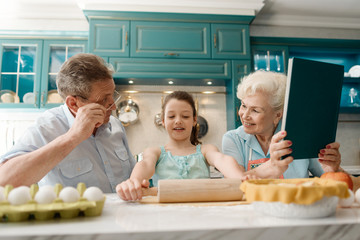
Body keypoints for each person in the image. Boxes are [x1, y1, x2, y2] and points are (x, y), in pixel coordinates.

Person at [0, 53, 135, 193]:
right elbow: (4, 180)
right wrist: (73, 136)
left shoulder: (116, 126)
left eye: (112, 95)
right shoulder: (46, 128)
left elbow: (132, 177)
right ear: (73, 103)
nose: (113, 107)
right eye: (103, 100)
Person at [116, 91, 253, 201]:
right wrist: (133, 183)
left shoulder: (206, 150)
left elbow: (222, 160)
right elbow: (145, 164)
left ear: (194, 120)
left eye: (185, 116)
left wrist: (239, 177)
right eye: (171, 116)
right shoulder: (155, 152)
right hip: (165, 216)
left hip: (201, 213)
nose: (178, 121)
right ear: (163, 121)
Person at [222, 70, 343, 179]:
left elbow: (340, 183)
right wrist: (270, 167)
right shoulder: (233, 139)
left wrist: (334, 170)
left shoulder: (303, 138)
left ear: (278, 115)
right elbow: (235, 184)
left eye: (255, 110)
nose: (244, 115)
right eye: (244, 106)